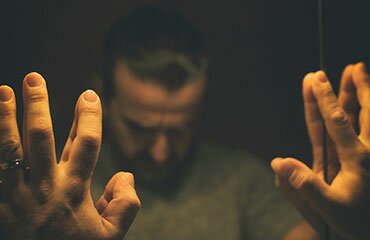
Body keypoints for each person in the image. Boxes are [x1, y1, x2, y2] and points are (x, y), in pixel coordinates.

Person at [0, 6, 369, 240]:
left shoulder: (243, 181)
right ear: (103, 100)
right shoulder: (49, 197)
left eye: (180, 129)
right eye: (141, 128)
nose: (161, 152)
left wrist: (355, 229)